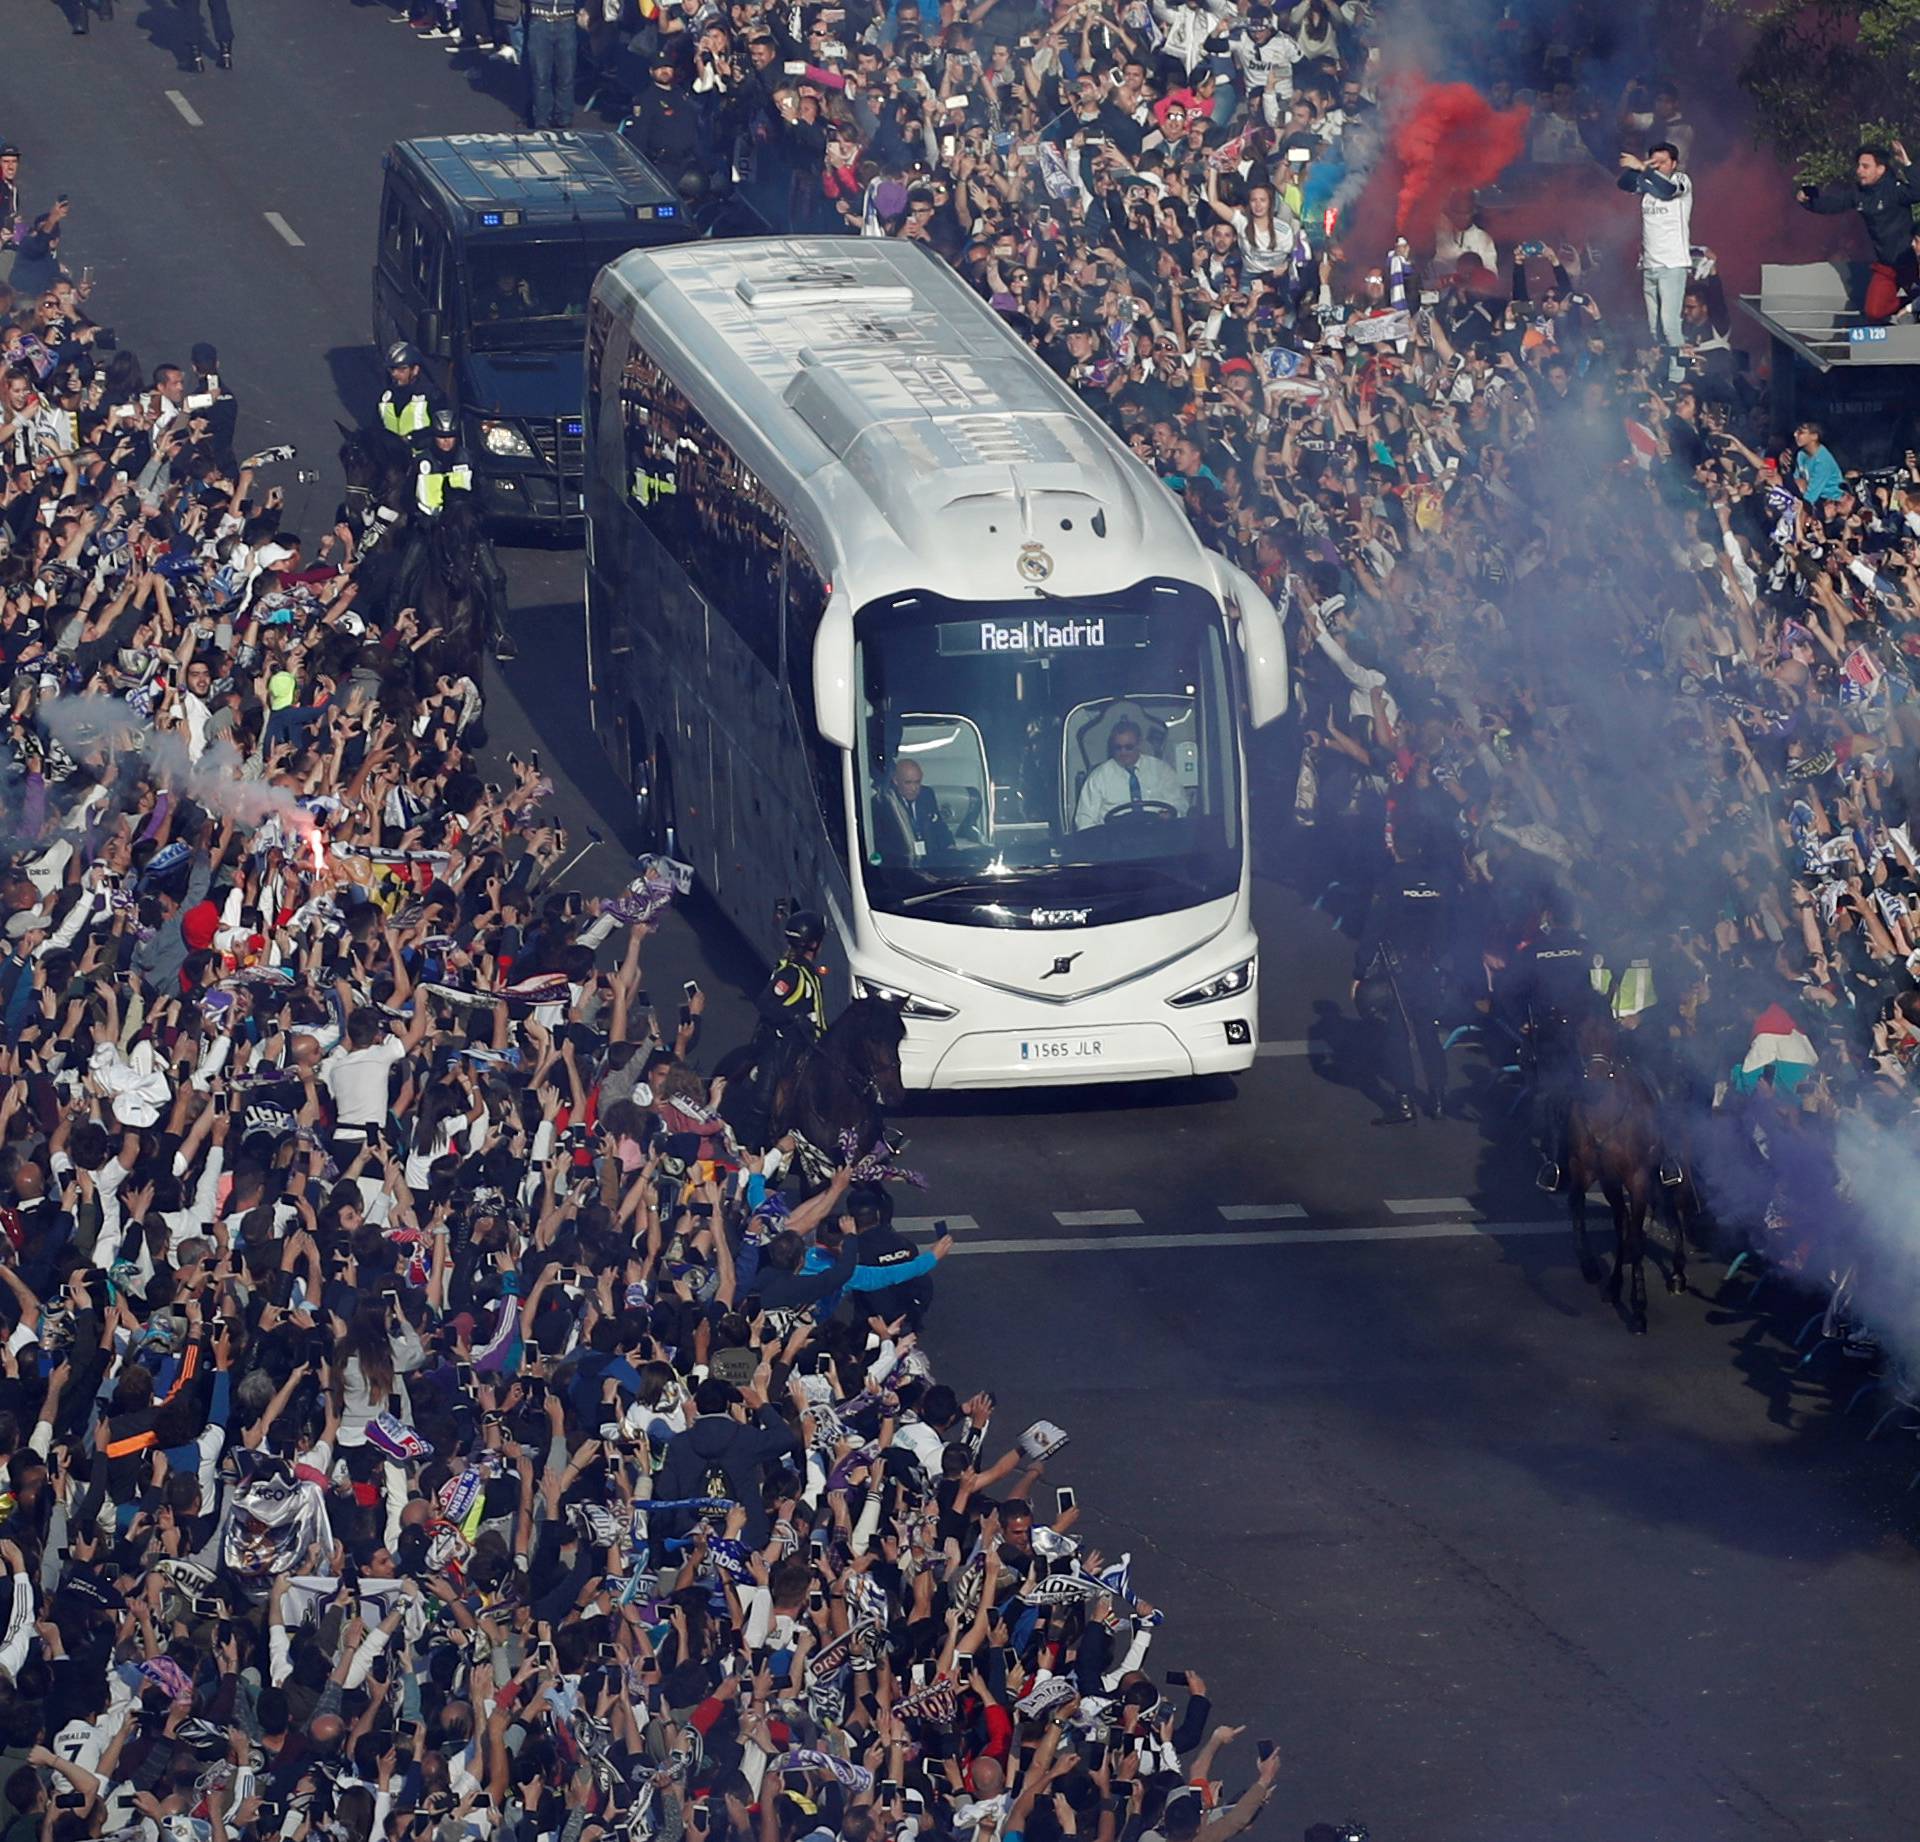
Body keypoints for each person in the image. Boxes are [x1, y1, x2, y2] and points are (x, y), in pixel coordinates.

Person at [1351, 834, 1452, 1125]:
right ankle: (1438, 1098)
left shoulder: (1390, 881)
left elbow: (1373, 928)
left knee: (1397, 1033)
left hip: (1397, 970)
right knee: (1427, 1031)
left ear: (1395, 846)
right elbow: (1446, 925)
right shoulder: (1438, 880)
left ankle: (1405, 1102)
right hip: (1430, 967)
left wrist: (1359, 972)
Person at [1797, 141, 1920, 324]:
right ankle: (1912, 305)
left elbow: (1917, 192)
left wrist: (1907, 163)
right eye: (1859, 166)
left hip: (1910, 262)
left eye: (1865, 166)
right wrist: (1808, 202)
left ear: (1880, 169)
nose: (1859, 171)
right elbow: (1834, 204)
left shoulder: (1895, 190)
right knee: (1873, 311)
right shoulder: (1858, 194)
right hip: (1886, 266)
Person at [1617, 142, 1692, 377]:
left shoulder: (1682, 181)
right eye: (1653, 161)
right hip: (1650, 265)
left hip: (1672, 264)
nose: (1657, 166)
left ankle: (1679, 379)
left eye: (1662, 162)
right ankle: (1667, 371)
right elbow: (1623, 184)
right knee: (1655, 328)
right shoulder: (1647, 181)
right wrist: (1637, 169)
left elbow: (1667, 191)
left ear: (1674, 164)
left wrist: (1645, 168)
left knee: (1669, 323)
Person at [1074, 720, 1189, 828]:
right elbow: (1085, 819)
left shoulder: (1162, 770)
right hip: (1115, 841)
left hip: (1157, 835)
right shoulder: (1098, 777)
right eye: (1118, 748)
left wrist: (1170, 814)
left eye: (1128, 747)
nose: (1123, 752)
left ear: (1139, 744)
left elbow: (1180, 804)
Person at [378, 341, 441, 454]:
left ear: (415, 370)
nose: (395, 374)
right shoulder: (385, 397)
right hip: (394, 463)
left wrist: (412, 438)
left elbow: (441, 431)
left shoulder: (431, 395)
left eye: (402, 369)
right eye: (392, 369)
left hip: (423, 462)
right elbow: (376, 429)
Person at [884, 757, 952, 860]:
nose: (914, 788)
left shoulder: (926, 794)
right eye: (908, 783)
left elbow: (939, 825)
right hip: (903, 861)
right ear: (896, 781)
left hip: (931, 858)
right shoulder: (885, 803)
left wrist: (950, 846)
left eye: (917, 782)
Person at [525, 0, 578, 131]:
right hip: (539, 20)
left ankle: (564, 118)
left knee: (567, 75)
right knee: (540, 75)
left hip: (567, 18)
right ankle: (541, 119)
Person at [415, 408, 474, 515]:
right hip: (426, 525)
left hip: (458, 523)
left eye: (450, 436)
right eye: (441, 436)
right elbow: (408, 495)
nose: (446, 441)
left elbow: (479, 492)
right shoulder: (421, 461)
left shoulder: (467, 459)